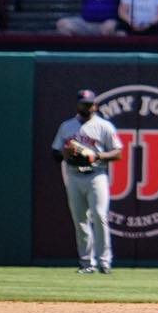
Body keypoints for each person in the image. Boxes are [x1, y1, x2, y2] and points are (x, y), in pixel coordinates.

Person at [50, 89, 123, 273]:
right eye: (84, 103)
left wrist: (97, 155)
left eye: (90, 103)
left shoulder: (104, 126)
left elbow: (118, 152)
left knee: (100, 216)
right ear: (78, 105)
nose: (87, 106)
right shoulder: (67, 126)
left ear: (95, 105)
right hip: (74, 175)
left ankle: (104, 262)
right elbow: (56, 152)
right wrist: (66, 154)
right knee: (80, 221)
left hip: (96, 175)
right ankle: (86, 263)